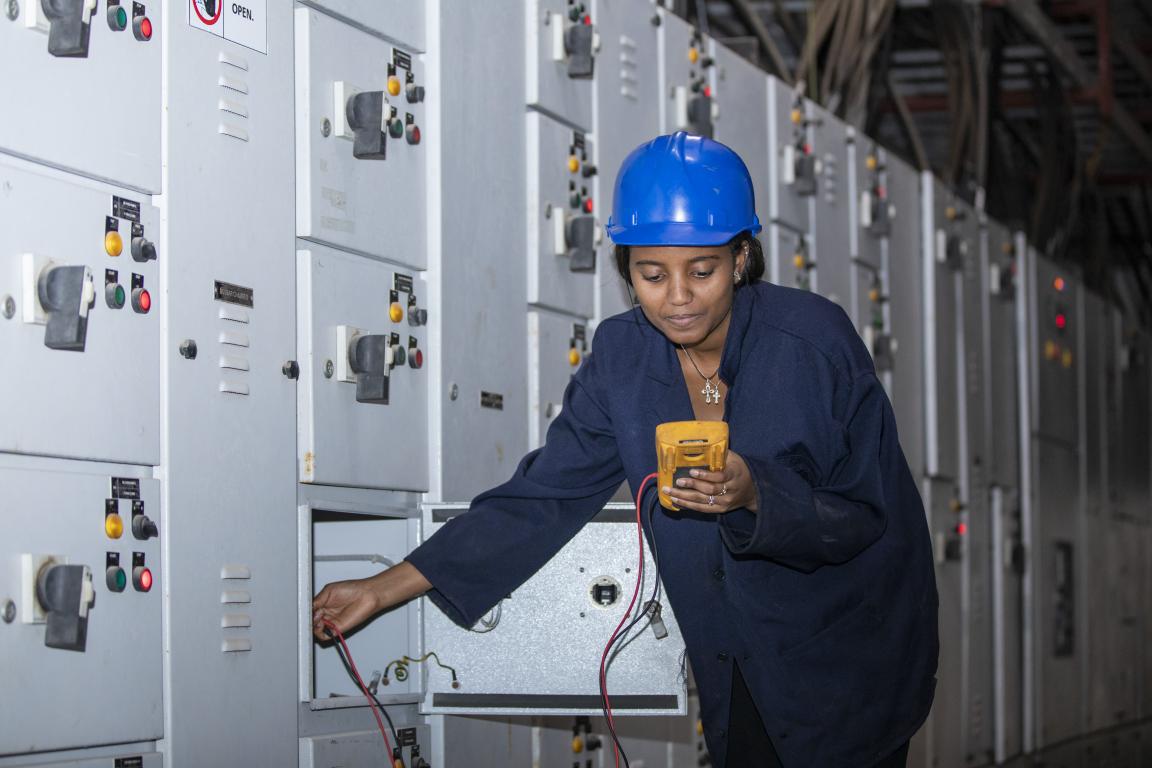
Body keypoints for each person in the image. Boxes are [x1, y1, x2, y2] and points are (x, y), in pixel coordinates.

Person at [313, 131, 938, 767]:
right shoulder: (622, 359)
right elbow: (541, 497)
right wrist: (385, 587)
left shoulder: (814, 344)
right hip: (737, 663)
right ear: (625, 269)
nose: (678, 298)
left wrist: (756, 492)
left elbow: (868, 516)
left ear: (742, 257)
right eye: (651, 274)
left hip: (850, 659)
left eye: (702, 270)